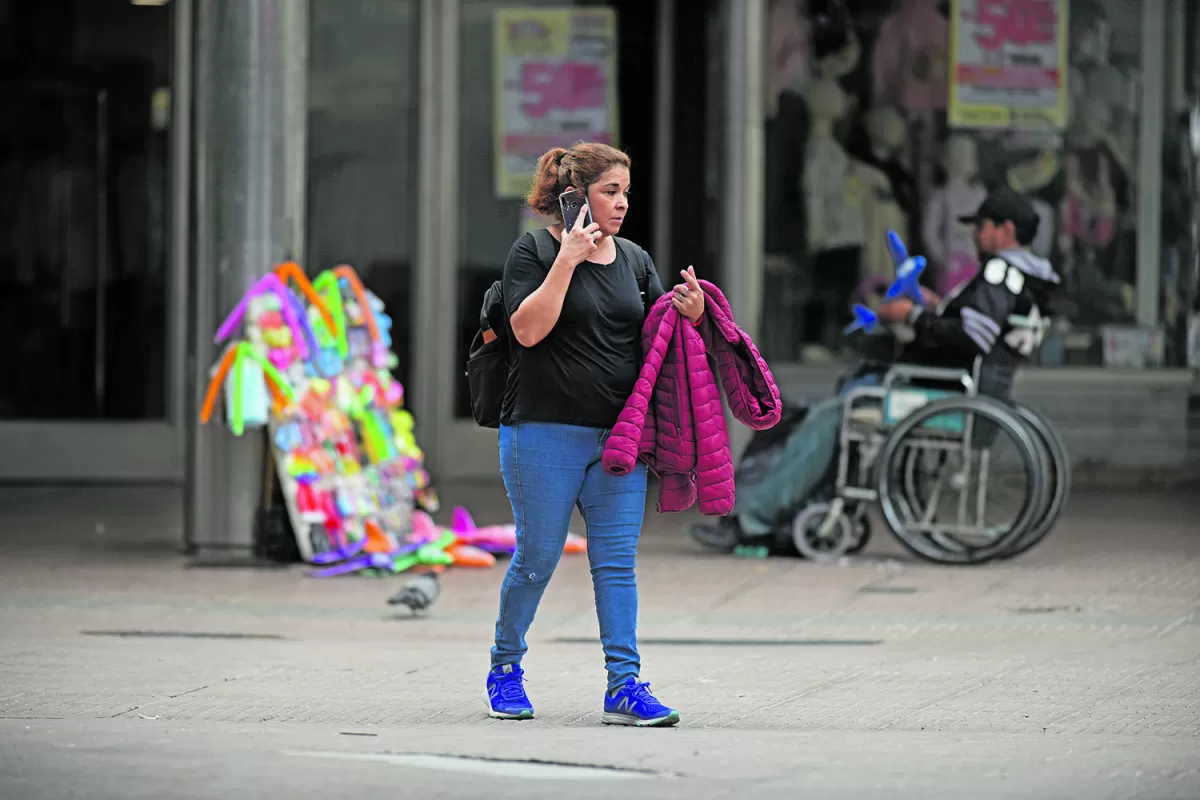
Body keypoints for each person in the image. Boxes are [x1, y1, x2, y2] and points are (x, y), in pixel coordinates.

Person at [690, 186, 1060, 552]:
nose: (976, 236)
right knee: (832, 404)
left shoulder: (999, 272)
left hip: (936, 389)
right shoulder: (1035, 278)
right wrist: (935, 307)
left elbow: (972, 336)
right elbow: (978, 327)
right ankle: (788, 506)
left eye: (982, 227)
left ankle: (752, 519)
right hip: (960, 387)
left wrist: (910, 315)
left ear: (1005, 230)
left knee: (829, 416)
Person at [486, 142, 705, 727]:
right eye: (611, 191)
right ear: (574, 196)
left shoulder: (633, 259)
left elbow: (660, 336)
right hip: (541, 432)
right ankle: (505, 667)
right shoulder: (532, 251)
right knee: (536, 557)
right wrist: (568, 260)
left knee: (616, 564)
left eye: (626, 192)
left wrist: (692, 313)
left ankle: (624, 684)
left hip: (618, 440)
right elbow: (527, 332)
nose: (623, 203)